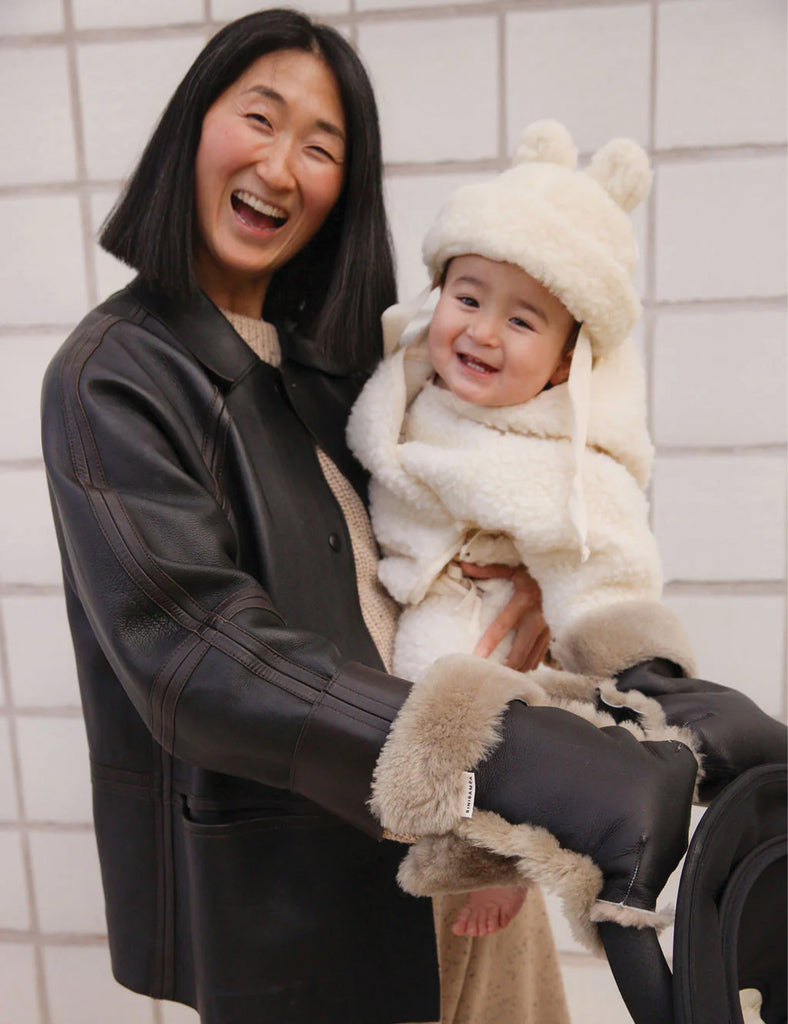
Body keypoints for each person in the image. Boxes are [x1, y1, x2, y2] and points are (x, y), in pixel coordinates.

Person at [39, 11, 774, 1024]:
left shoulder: (348, 366)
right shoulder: (113, 375)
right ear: (191, 127)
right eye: (260, 116)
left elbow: (527, 492)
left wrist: (597, 663)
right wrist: (499, 749)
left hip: (471, 866)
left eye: (321, 146)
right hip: (310, 910)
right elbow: (196, 655)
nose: (281, 165)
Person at [350, 120, 787, 945]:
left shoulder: (560, 461)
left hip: (488, 635)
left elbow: (607, 562)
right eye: (468, 297)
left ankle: (496, 860)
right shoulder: (405, 384)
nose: (480, 330)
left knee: (487, 722)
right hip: (413, 607)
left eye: (522, 321)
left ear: (562, 364)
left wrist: (637, 663)